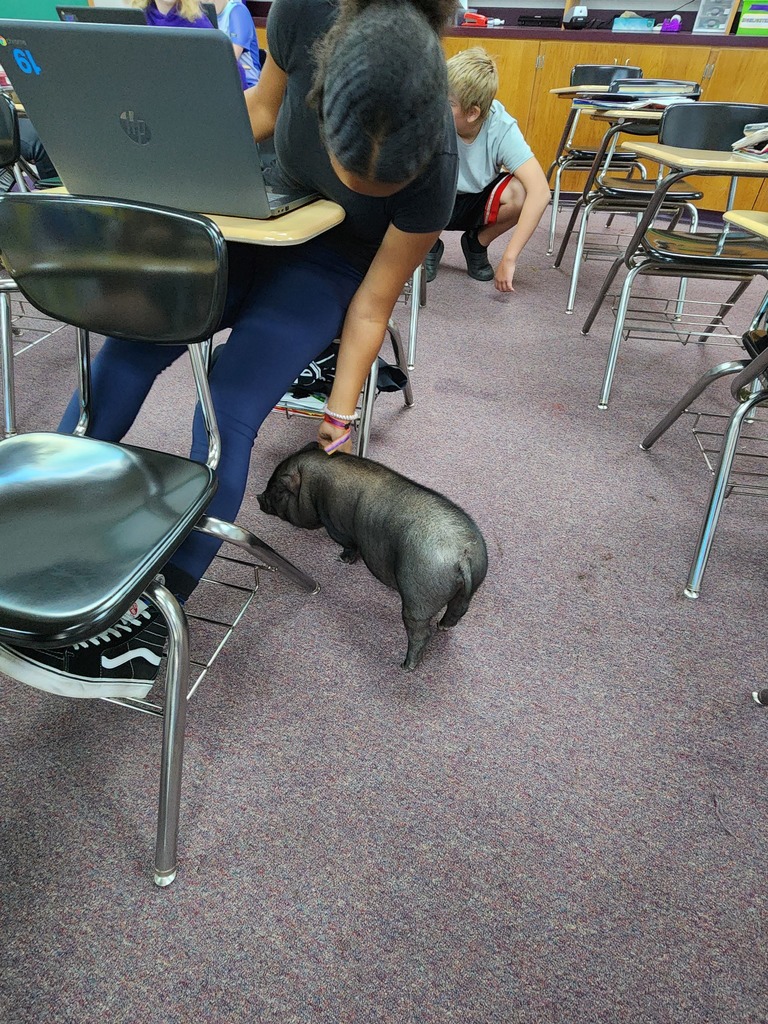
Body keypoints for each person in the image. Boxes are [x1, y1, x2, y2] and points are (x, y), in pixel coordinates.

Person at [0, 0, 458, 693]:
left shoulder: (436, 172)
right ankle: (35, 550)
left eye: (379, 187)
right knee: (126, 353)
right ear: (324, 92)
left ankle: (150, 625)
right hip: (255, 207)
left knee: (229, 405)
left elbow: (373, 299)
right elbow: (262, 111)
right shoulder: (309, 15)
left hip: (330, 263)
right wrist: (158, 161)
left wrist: (340, 406)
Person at [425, 47, 551, 294]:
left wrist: (509, 257)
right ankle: (427, 245)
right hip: (436, 198)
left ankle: (476, 243)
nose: (438, 107)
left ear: (473, 113)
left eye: (448, 103)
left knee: (522, 192)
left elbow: (541, 192)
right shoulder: (432, 118)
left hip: (476, 199)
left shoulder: (501, 126)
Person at [213, 0, 262, 87]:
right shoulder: (201, 14)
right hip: (221, 83)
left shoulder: (237, 11)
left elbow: (231, 57)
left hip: (247, 86)